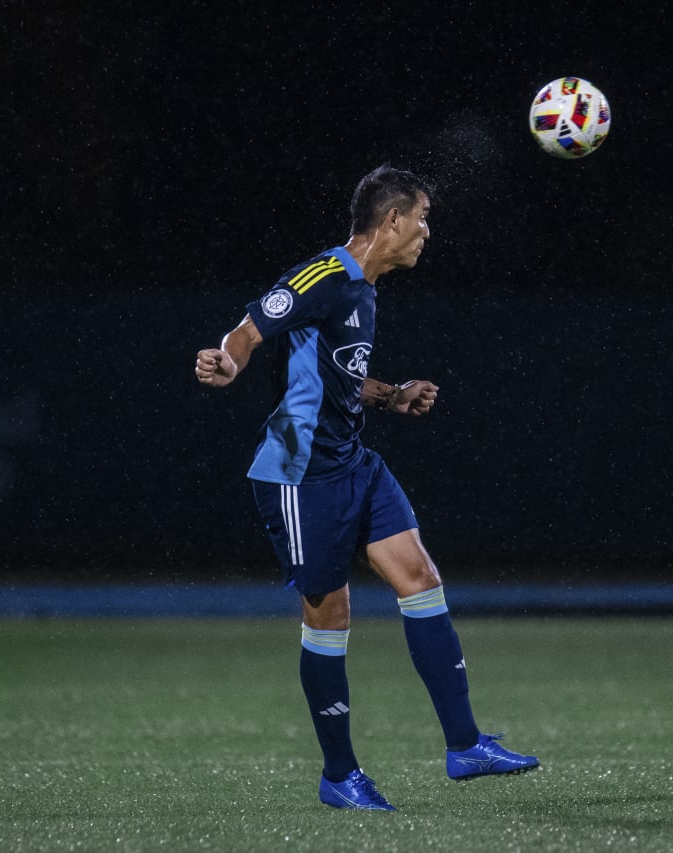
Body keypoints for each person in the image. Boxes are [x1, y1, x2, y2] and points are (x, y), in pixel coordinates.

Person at [194, 165, 538, 811]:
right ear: (392, 221)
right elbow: (248, 331)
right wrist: (226, 361)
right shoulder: (323, 277)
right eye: (423, 218)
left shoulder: (367, 291)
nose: (427, 232)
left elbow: (337, 376)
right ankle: (339, 774)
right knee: (331, 615)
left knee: (421, 578)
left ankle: (465, 745)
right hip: (299, 473)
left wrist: (393, 394)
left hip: (354, 462)